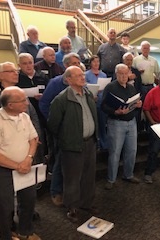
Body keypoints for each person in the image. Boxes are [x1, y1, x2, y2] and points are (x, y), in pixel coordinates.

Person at [0, 86, 40, 240]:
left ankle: (25, 231)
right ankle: (6, 236)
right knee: (4, 207)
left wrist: (28, 159)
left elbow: (33, 140)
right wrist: (17, 166)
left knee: (28, 201)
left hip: (25, 166)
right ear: (10, 105)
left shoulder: (24, 116)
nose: (27, 103)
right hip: (2, 171)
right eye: (22, 101)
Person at [47, 66, 98, 223]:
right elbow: (53, 125)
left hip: (89, 142)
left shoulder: (88, 94)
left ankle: (86, 203)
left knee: (89, 176)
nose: (83, 77)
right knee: (72, 179)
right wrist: (66, 139)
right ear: (68, 79)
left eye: (83, 75)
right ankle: (72, 207)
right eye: (78, 76)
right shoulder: (61, 100)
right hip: (72, 146)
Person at [38, 53, 81, 206]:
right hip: (61, 131)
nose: (78, 64)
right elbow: (43, 104)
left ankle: (72, 190)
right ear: (66, 66)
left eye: (79, 62)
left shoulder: (82, 82)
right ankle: (56, 191)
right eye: (74, 63)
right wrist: (55, 125)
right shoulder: (56, 83)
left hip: (77, 130)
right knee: (60, 161)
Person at [101, 63, 142, 190]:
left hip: (131, 122)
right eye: (121, 74)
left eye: (126, 74)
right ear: (116, 74)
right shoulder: (110, 87)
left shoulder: (131, 88)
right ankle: (111, 179)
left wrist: (138, 105)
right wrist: (115, 112)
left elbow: (134, 103)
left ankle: (128, 175)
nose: (124, 76)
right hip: (116, 122)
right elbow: (103, 106)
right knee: (115, 152)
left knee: (132, 151)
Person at [85, 55, 109, 151]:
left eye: (98, 62)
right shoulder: (86, 74)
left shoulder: (103, 75)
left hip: (101, 101)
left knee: (102, 123)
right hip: (91, 101)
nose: (96, 64)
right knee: (94, 124)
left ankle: (104, 144)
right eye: (94, 62)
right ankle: (96, 145)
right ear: (90, 63)